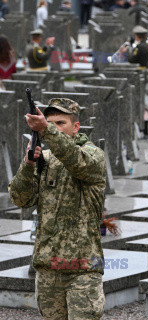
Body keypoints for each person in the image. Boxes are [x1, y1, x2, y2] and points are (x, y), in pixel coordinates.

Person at [9, 98, 107, 320]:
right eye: (50, 123)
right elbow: (20, 198)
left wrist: (46, 129)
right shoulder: (43, 158)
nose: (54, 128)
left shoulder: (93, 155)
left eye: (60, 123)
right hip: (48, 268)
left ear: (76, 127)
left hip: (83, 269)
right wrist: (28, 164)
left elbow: (77, 161)